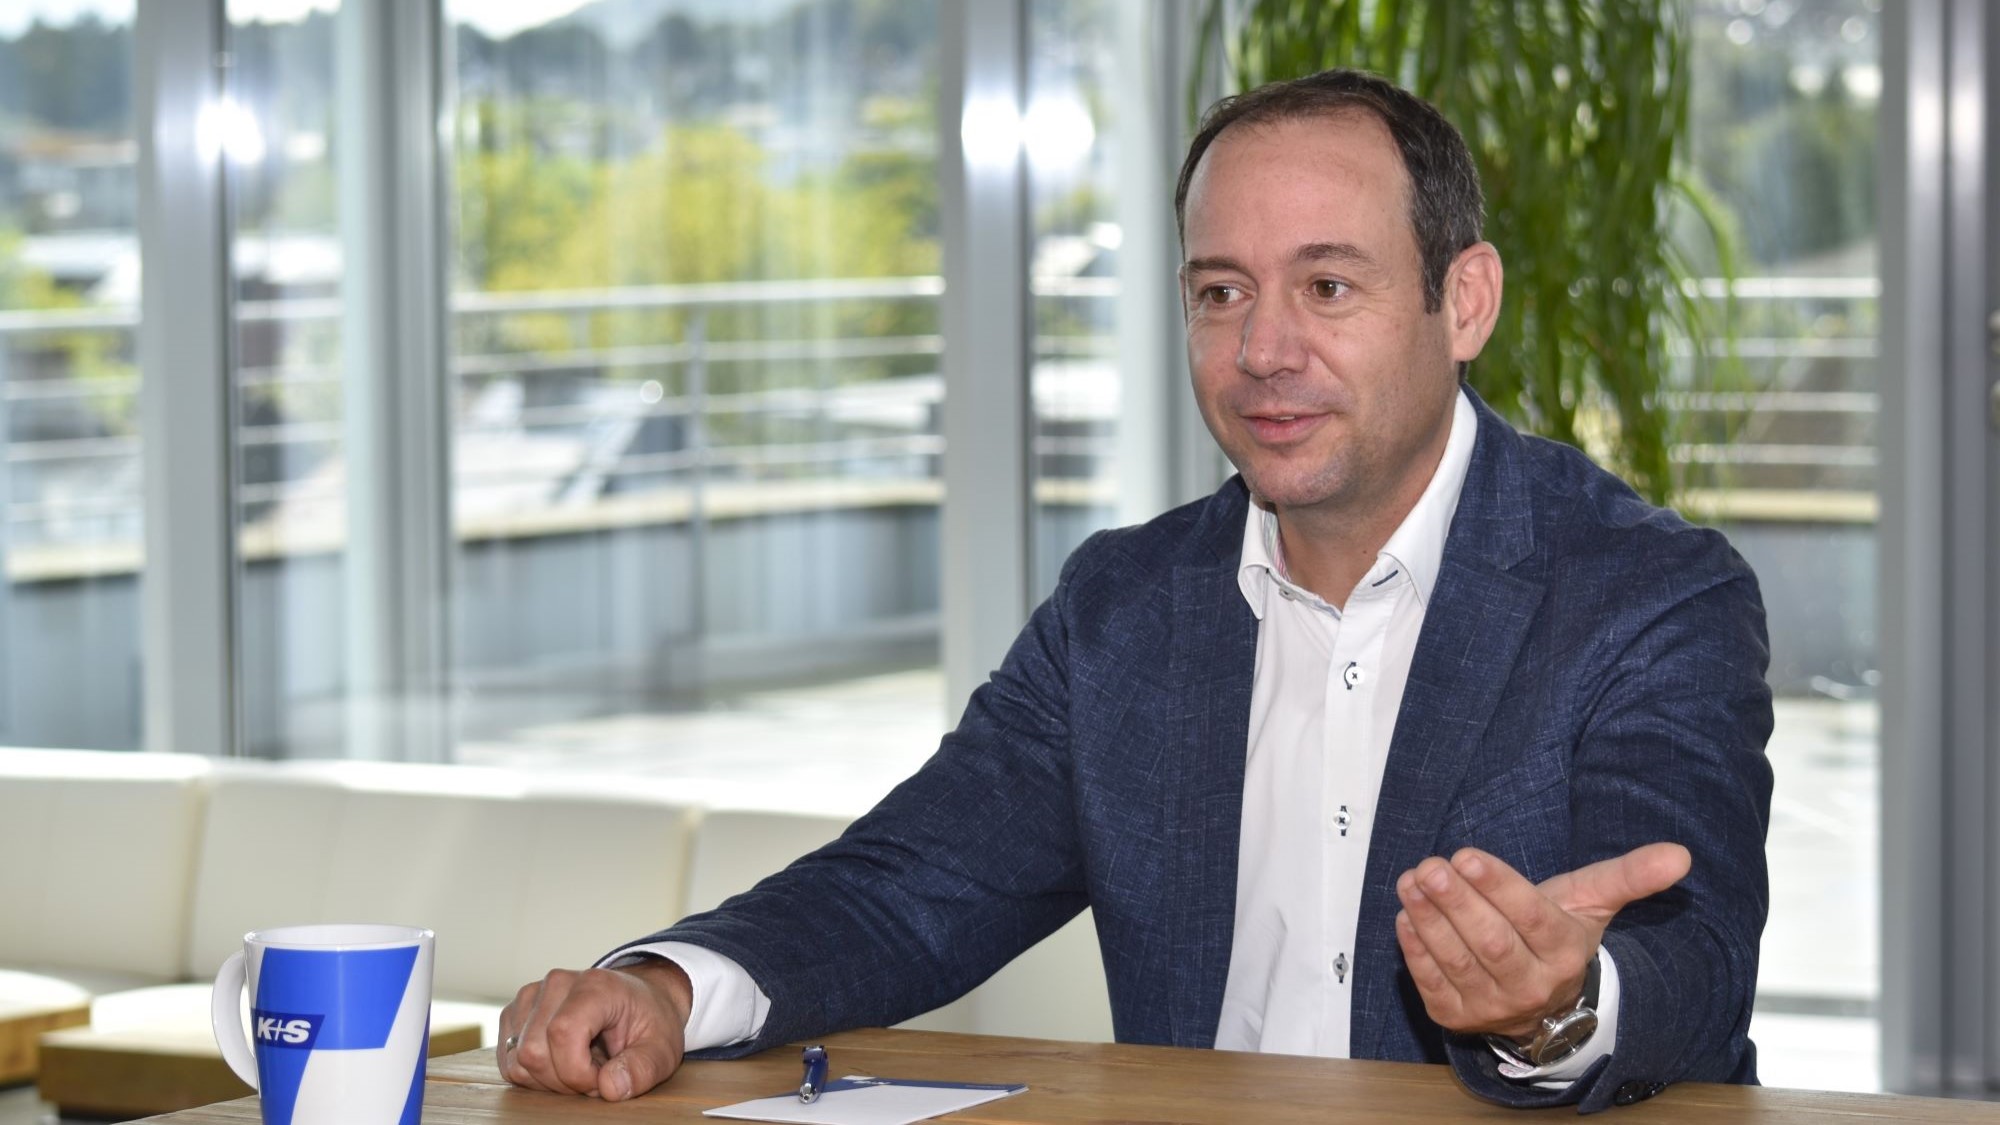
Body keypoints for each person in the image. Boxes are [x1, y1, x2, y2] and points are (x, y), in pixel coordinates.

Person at [496, 68, 1774, 1114]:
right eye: (1219, 293)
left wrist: (1553, 1002)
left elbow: (1693, 969)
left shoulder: (1645, 593)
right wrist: (668, 985)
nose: (1261, 351)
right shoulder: (1124, 605)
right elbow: (913, 880)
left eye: (1326, 287)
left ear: (1463, 300)